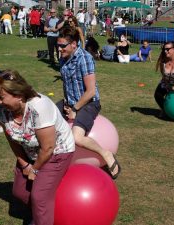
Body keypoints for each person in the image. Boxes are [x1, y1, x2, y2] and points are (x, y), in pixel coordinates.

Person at [0, 70, 75, 225]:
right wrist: (24, 164)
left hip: (56, 152)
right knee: (19, 191)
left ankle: (41, 216)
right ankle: (40, 213)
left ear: (19, 95)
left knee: (40, 197)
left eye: (1, 97)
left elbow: (48, 147)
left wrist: (35, 169)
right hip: (30, 152)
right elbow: (11, 140)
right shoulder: (1, 109)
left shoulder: (39, 107)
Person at [57, 27, 121, 179]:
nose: (59, 49)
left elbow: (91, 91)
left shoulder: (84, 58)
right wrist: (67, 103)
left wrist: (75, 108)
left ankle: (106, 154)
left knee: (77, 137)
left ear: (73, 44)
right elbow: (67, 84)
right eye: (58, 45)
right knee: (45, 122)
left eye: (62, 46)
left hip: (89, 103)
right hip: (71, 102)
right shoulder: (63, 58)